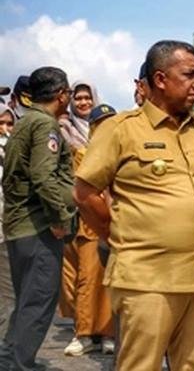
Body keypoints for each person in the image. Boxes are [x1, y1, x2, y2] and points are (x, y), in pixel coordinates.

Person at [73, 40, 194, 370]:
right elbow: (85, 192)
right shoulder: (121, 129)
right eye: (189, 75)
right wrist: (118, 237)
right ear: (160, 79)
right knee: (140, 365)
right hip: (148, 278)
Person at [0, 67, 76, 371]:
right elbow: (44, 176)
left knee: (27, 299)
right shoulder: (46, 126)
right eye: (69, 93)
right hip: (39, 225)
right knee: (40, 300)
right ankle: (20, 364)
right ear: (61, 95)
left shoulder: (24, 122)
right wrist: (59, 217)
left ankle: (10, 359)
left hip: (20, 225)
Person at [63, 104, 117, 357]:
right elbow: (85, 189)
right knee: (87, 280)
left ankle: (108, 333)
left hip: (120, 225)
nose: (105, 127)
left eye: (110, 121)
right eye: (99, 123)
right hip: (91, 226)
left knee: (111, 282)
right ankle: (83, 333)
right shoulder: (85, 153)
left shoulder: (123, 151)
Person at [57, 81, 100, 327]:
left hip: (100, 206)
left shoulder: (106, 125)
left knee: (96, 272)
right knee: (76, 272)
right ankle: (82, 325)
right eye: (79, 98)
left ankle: (98, 327)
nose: (83, 102)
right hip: (74, 208)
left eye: (87, 98)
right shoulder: (64, 128)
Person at [0, 103, 17, 342]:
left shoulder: (16, 153)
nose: (4, 129)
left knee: (10, 299)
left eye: (9, 123)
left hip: (7, 234)